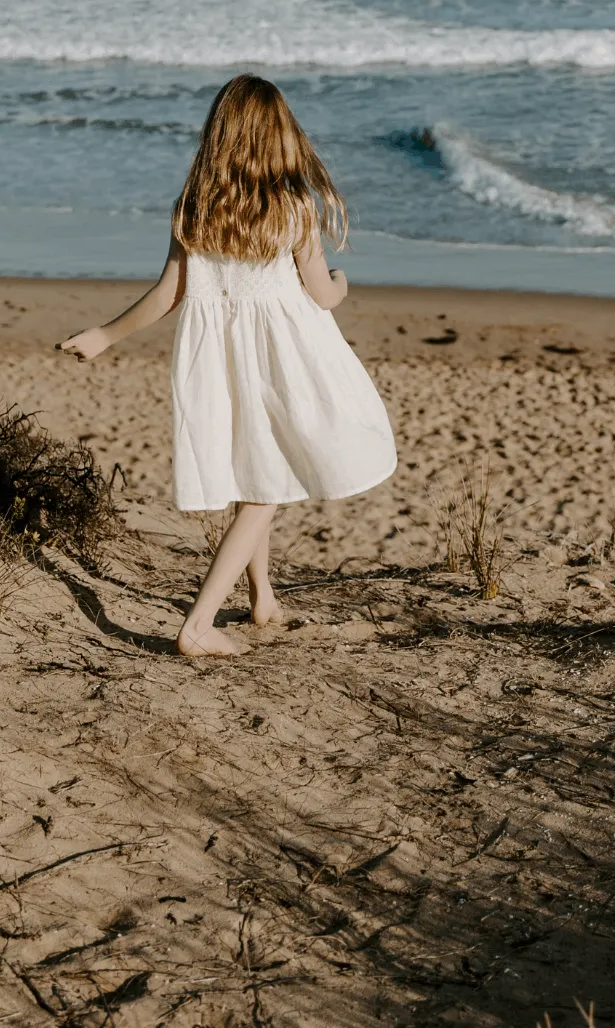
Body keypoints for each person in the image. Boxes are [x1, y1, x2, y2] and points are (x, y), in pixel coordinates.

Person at [58, 74, 396, 657]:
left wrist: (105, 335)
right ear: (277, 137)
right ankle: (197, 625)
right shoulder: (294, 208)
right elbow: (320, 295)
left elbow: (169, 294)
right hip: (285, 361)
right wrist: (342, 281)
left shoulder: (192, 208)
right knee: (267, 489)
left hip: (220, 361)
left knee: (252, 472)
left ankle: (263, 596)